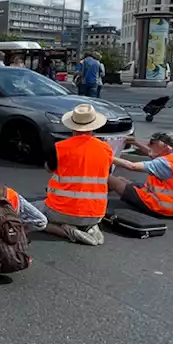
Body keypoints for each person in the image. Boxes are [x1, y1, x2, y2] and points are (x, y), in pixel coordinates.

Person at [41, 103, 112, 246]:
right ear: (94, 126)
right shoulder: (106, 149)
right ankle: (88, 227)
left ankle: (68, 231)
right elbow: (106, 173)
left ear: (72, 126)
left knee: (27, 215)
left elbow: (49, 168)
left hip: (61, 210)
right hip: (95, 213)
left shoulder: (60, 147)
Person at [110, 131, 173, 218]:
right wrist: (135, 142)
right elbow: (152, 153)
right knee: (121, 179)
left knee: (110, 179)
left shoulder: (164, 163)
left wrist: (105, 156)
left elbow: (132, 166)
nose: (149, 145)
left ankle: (98, 201)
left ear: (164, 146)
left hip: (159, 205)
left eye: (152, 143)